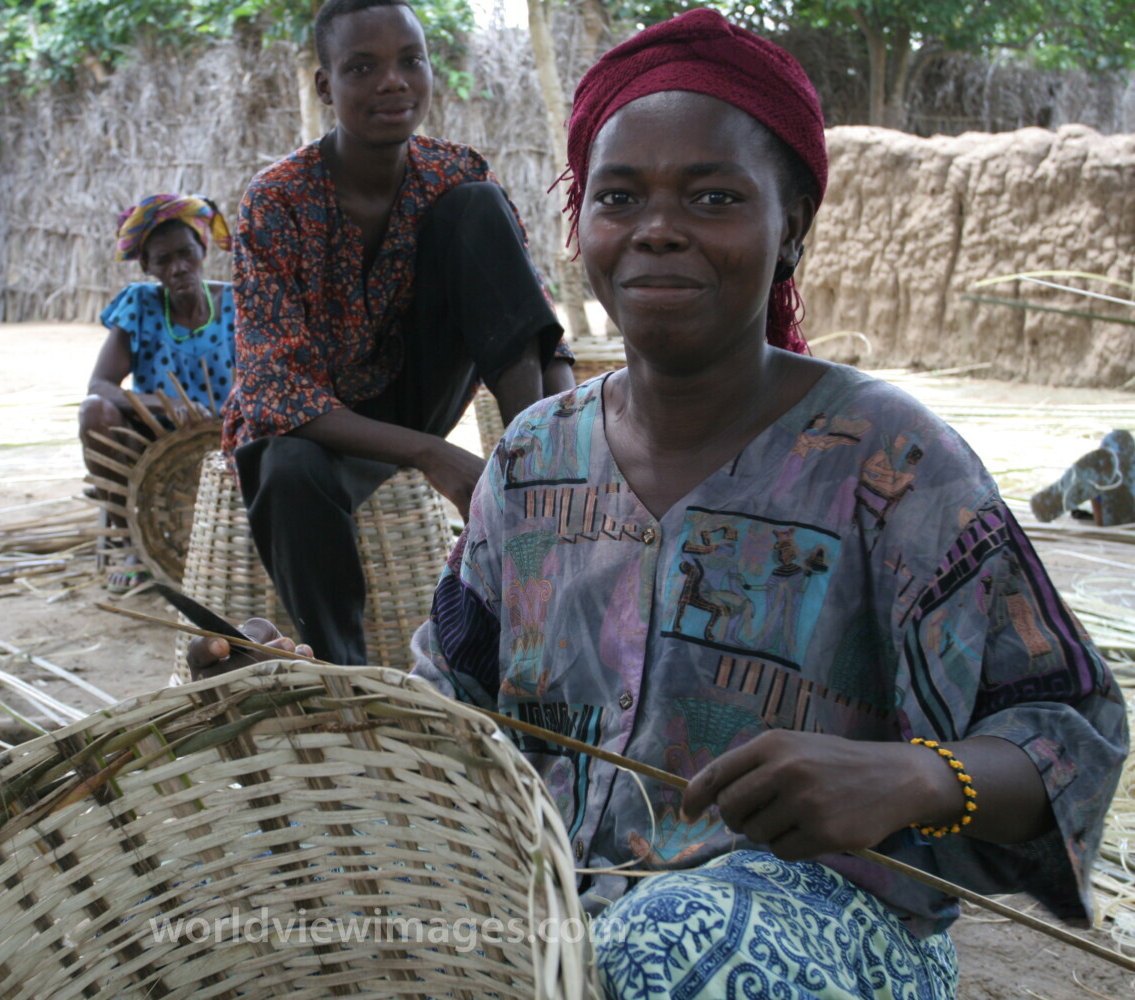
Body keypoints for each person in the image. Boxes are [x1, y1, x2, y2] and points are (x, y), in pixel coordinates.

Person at [195, 10, 1128, 997]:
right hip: (552, 907)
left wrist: (916, 777)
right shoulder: (531, 459)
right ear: (583, 226)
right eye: (620, 196)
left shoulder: (889, 460)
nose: (657, 228)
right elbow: (455, 711)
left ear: (791, 229)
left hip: (814, 926)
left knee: (673, 940)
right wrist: (305, 691)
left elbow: (1074, 725)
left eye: (714, 196)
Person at [221, 0, 575, 665]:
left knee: (475, 207)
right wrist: (432, 455)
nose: (393, 82)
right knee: (284, 466)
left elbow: (535, 333)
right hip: (316, 430)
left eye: (411, 60)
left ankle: (534, 462)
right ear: (326, 85)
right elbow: (272, 392)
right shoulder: (277, 201)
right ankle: (341, 677)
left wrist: (565, 444)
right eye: (362, 67)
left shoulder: (455, 174)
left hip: (416, 391)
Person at [79, 194, 237, 592]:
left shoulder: (238, 301)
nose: (178, 267)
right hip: (154, 437)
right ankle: (135, 543)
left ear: (202, 249)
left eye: (185, 253)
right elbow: (99, 386)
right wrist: (170, 405)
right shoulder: (139, 304)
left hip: (230, 435)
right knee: (94, 411)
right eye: (163, 260)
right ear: (147, 266)